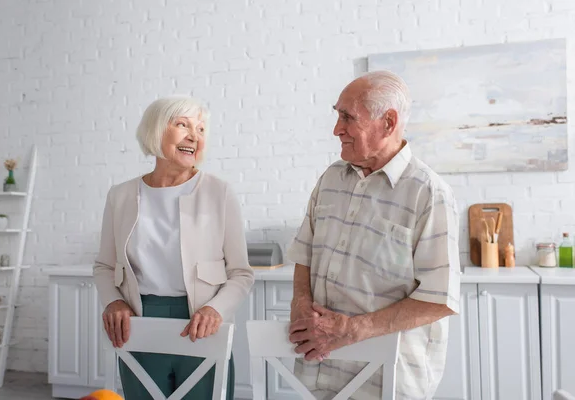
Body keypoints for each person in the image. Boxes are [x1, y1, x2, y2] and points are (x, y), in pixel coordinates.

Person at [286, 71, 460, 400]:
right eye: (337, 115)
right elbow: (303, 254)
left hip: (388, 382)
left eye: (347, 117)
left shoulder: (429, 193)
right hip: (318, 372)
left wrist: (352, 330)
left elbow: (439, 300)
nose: (336, 129)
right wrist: (301, 302)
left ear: (388, 122)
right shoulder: (331, 179)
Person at [93, 96, 254, 399]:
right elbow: (104, 266)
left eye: (202, 129)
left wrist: (215, 309)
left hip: (200, 323)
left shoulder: (219, 192)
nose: (195, 136)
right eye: (183, 125)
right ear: (156, 130)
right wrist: (113, 301)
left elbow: (241, 273)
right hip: (139, 322)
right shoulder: (121, 195)